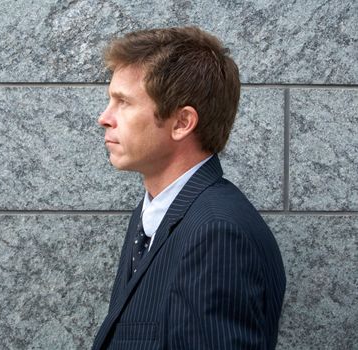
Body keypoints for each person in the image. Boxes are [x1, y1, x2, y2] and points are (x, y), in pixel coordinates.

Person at [92, 27, 286, 350]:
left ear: (182, 123)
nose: (104, 117)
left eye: (123, 102)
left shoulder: (217, 235)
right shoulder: (153, 215)